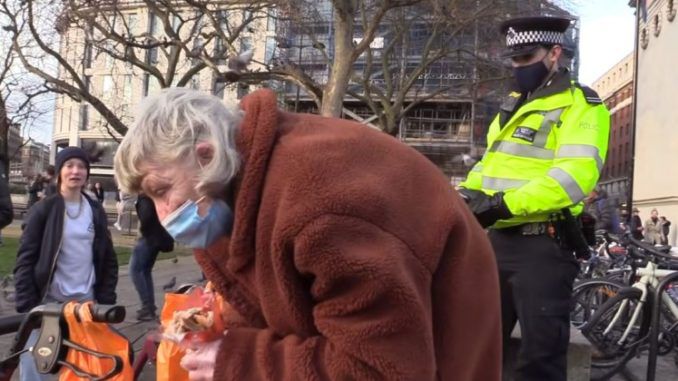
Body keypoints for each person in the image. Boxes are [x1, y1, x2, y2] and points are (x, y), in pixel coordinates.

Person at [114, 87, 502, 380]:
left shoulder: (319, 210)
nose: (164, 215)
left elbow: (379, 367)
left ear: (207, 155)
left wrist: (238, 359)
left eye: (161, 190)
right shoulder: (235, 189)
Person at [457, 16, 610, 381]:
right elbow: (487, 166)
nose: (518, 66)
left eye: (527, 58)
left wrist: (501, 206)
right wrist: (464, 196)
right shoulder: (512, 107)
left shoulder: (582, 105)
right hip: (494, 242)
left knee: (539, 361)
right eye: (514, 59)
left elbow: (573, 177)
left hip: (542, 244)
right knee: (475, 348)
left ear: (554, 53)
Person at [14, 147, 118, 381]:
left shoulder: (95, 210)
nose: (76, 171)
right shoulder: (44, 209)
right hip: (48, 303)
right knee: (36, 366)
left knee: (86, 368)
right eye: (69, 165)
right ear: (60, 171)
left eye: (81, 166)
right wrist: (29, 305)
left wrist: (107, 296)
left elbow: (108, 258)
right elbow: (25, 260)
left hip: (85, 302)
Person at [130, 193, 174, 321]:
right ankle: (149, 306)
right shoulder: (155, 193)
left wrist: (143, 232)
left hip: (148, 239)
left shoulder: (144, 195)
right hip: (157, 238)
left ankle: (147, 307)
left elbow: (147, 217)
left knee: (135, 271)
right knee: (145, 271)